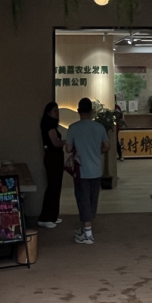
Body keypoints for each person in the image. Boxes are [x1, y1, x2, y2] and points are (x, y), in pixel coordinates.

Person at [65, 97, 110, 245]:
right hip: (96, 169)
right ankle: (85, 229)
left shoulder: (73, 128)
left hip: (81, 170)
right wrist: (96, 151)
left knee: (82, 199)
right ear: (91, 111)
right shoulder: (99, 127)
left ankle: (88, 234)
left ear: (78, 111)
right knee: (92, 198)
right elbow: (107, 146)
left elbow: (68, 149)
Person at [38, 102, 66, 229]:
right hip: (53, 158)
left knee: (55, 186)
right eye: (55, 111)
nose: (57, 113)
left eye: (58, 110)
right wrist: (68, 141)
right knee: (53, 187)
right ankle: (46, 217)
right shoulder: (49, 126)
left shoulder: (50, 125)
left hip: (55, 157)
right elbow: (56, 143)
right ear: (48, 112)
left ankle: (53, 216)